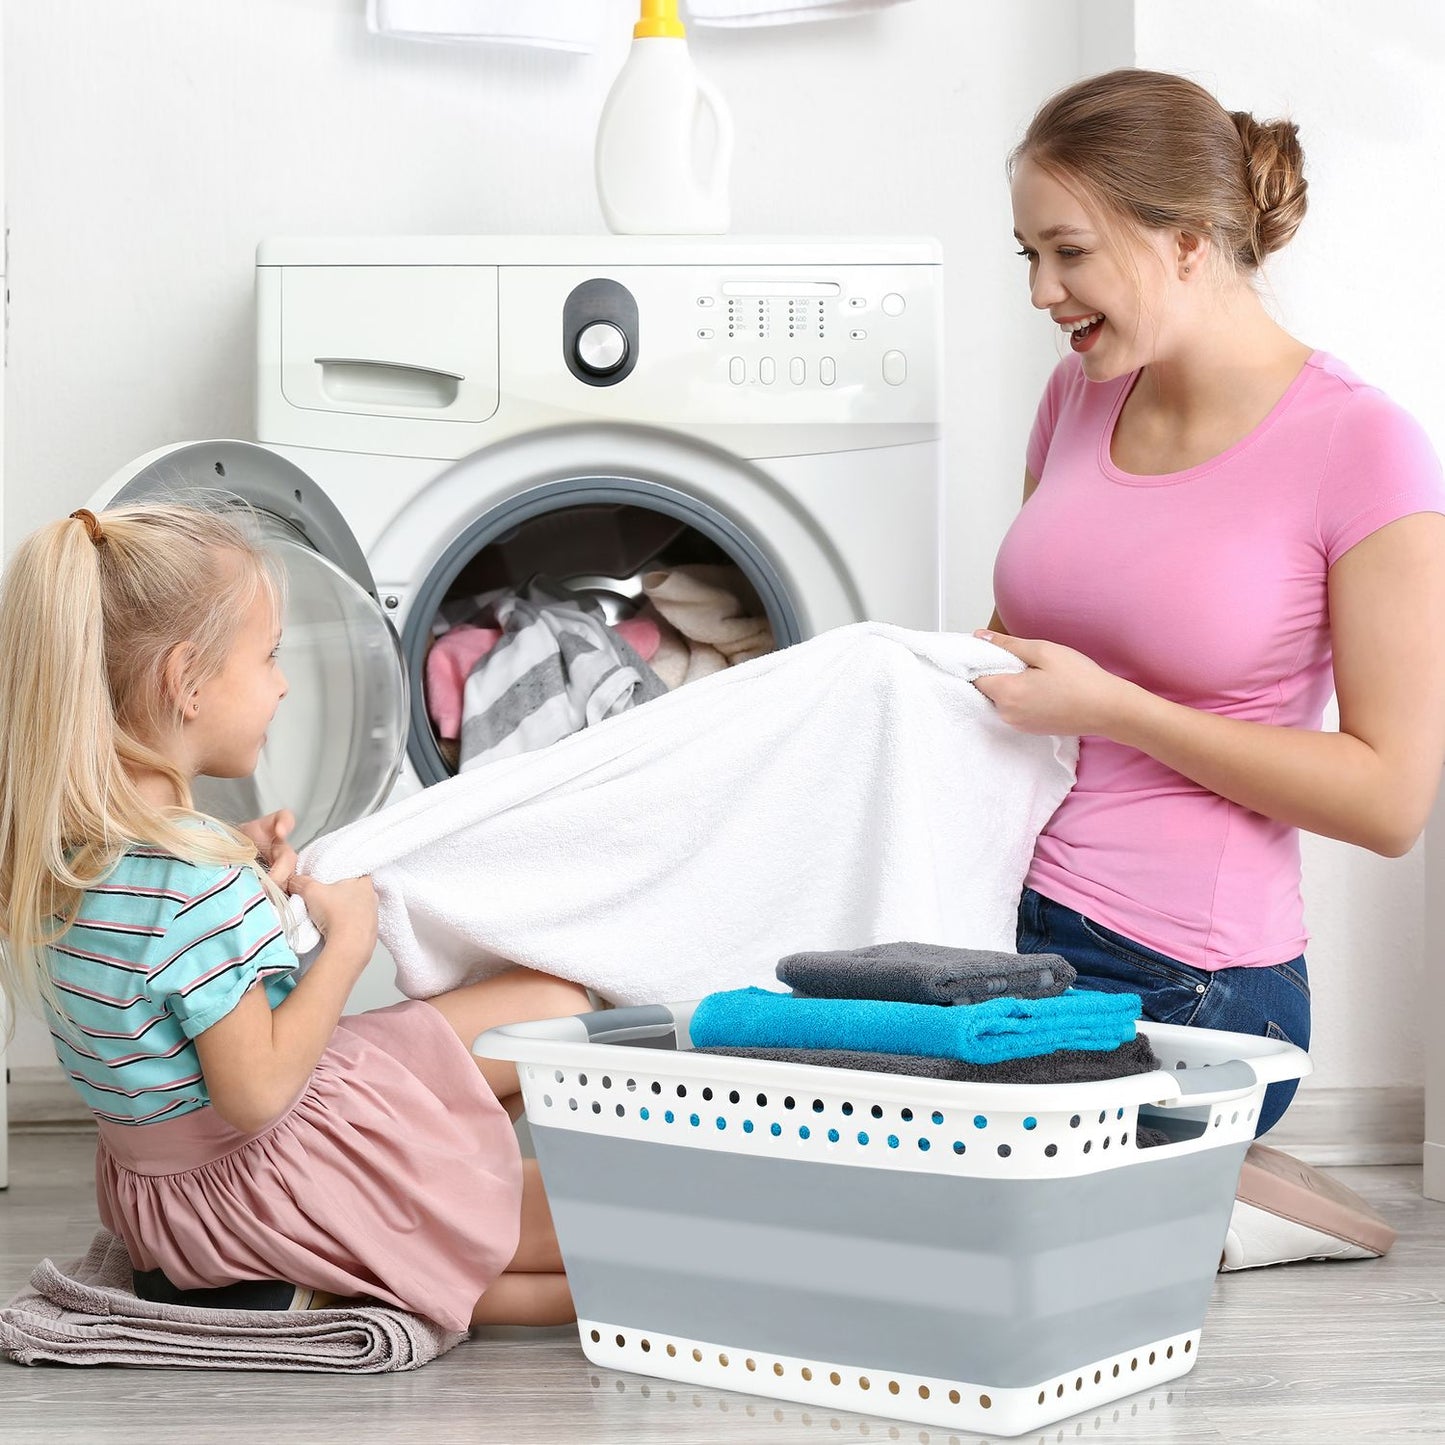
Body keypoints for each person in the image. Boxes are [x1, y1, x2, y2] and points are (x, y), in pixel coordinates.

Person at [975, 69, 1445, 1141]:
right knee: (778, 1084)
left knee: (898, 1152)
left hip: (1186, 976)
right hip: (994, 916)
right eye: (1027, 254)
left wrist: (1116, 708)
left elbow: (1389, 799)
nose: (1042, 291)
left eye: (1068, 251)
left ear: (1186, 241)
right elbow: (1019, 648)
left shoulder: (1361, 445)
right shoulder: (1077, 395)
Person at [0, 502, 593, 1331]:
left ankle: (388, 1247)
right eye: (269, 655)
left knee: (551, 1009)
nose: (281, 683)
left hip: (172, 1203)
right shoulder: (197, 882)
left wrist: (239, 862)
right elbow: (258, 1093)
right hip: (269, 1176)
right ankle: (381, 1257)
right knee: (598, 1223)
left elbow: (161, 963)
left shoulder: (61, 857)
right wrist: (348, 942)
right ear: (186, 681)